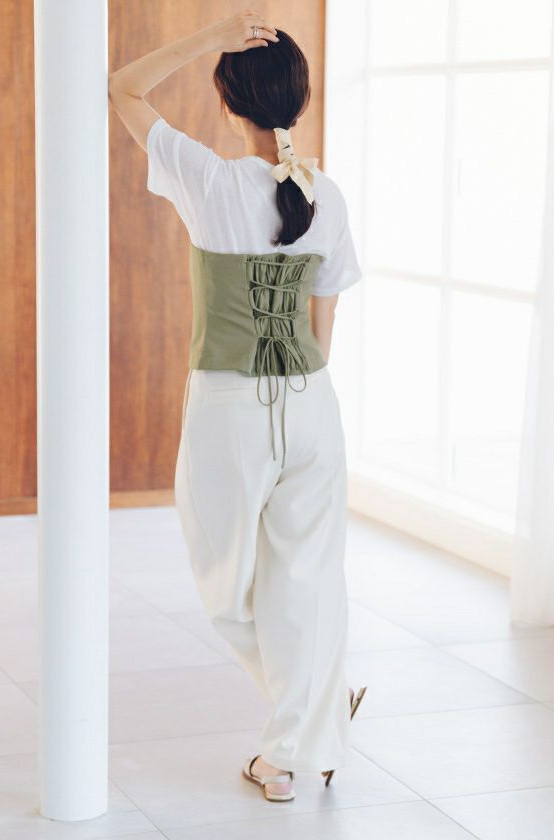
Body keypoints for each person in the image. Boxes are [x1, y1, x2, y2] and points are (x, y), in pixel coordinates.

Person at [108, 10, 367, 803]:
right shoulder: (326, 196)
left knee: (225, 584)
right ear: (301, 99)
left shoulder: (211, 182)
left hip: (231, 406)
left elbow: (122, 88)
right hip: (313, 403)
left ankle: (291, 746)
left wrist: (206, 39)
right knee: (304, 579)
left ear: (228, 102)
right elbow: (324, 319)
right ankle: (316, 712)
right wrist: (300, 395)